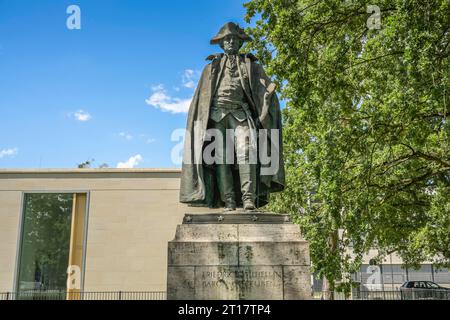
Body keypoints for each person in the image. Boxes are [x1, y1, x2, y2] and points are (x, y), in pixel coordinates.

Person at [180, 22, 285, 211]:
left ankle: (248, 198)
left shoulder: (251, 65)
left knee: (248, 152)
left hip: (240, 114)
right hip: (216, 115)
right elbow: (200, 99)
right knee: (221, 158)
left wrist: (268, 95)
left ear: (239, 43)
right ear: (221, 43)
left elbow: (264, 89)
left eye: (234, 39)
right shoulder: (210, 67)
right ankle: (228, 200)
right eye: (227, 39)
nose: (230, 42)